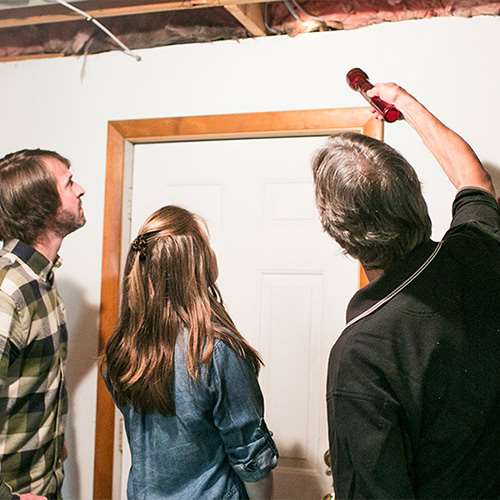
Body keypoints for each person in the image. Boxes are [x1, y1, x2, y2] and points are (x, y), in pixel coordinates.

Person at [312, 82, 500, 499]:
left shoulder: (360, 352)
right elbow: (474, 178)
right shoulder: (478, 246)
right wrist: (403, 101)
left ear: (340, 235)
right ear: (417, 197)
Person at [102, 205, 278, 500]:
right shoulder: (215, 352)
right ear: (195, 263)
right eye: (206, 245)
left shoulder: (122, 349)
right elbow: (252, 460)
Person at [0, 149, 86, 500]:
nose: (80, 189)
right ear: (42, 207)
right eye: (68, 183)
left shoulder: (42, 280)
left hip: (46, 484)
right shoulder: (8, 290)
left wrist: (52, 442)